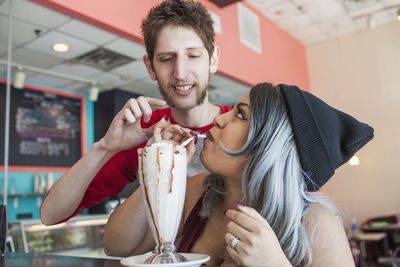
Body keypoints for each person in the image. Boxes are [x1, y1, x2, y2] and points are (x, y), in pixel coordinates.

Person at [103, 82, 373, 266]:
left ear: (270, 148)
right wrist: (164, 170)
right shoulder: (198, 189)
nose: (219, 119)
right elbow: (117, 246)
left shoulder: (317, 224)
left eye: (240, 116)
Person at [40, 0, 232, 225]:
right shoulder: (145, 133)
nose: (180, 73)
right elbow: (51, 214)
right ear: (150, 66)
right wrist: (105, 147)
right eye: (166, 58)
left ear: (213, 59)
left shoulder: (243, 126)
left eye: (193, 55)